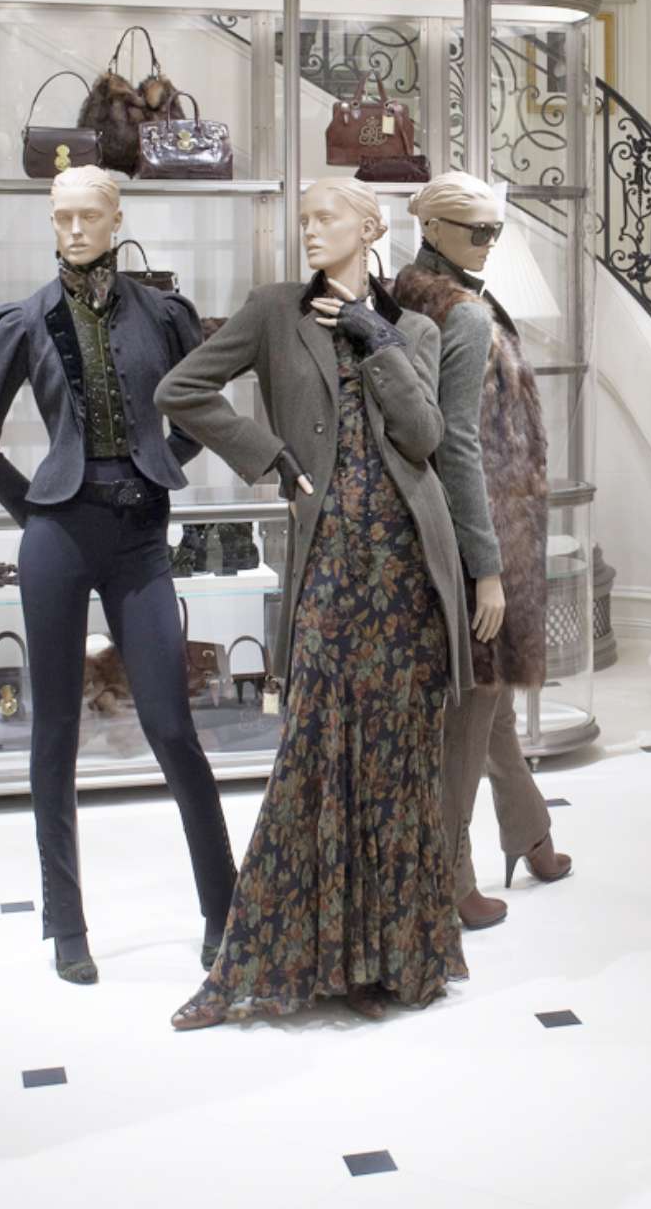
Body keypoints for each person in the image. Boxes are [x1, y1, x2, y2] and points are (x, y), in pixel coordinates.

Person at [155, 179, 470, 1027]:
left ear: (371, 228)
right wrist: (267, 457)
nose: (309, 231)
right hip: (329, 560)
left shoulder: (417, 329)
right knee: (314, 756)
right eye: (302, 220)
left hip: (408, 566)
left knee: (399, 758)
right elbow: (181, 391)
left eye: (325, 217)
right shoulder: (271, 311)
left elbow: (426, 438)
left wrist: (379, 342)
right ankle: (256, 962)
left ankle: (388, 962)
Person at [0, 166, 236, 986]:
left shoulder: (164, 315)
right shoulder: (22, 321)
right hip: (57, 537)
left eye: (89, 215)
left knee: (173, 728)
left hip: (140, 536)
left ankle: (223, 912)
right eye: (62, 216)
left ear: (117, 217)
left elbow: (207, 407)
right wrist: (38, 512)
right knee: (56, 733)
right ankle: (66, 923)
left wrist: (163, 462)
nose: (75, 229)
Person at [394, 173, 572, 933]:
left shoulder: (421, 297)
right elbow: (458, 442)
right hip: (485, 526)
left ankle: (530, 832)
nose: (489, 244)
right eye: (475, 231)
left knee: (490, 701)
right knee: (471, 710)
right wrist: (487, 564)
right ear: (432, 228)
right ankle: (447, 872)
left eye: (496, 231)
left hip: (481, 520)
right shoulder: (462, 316)